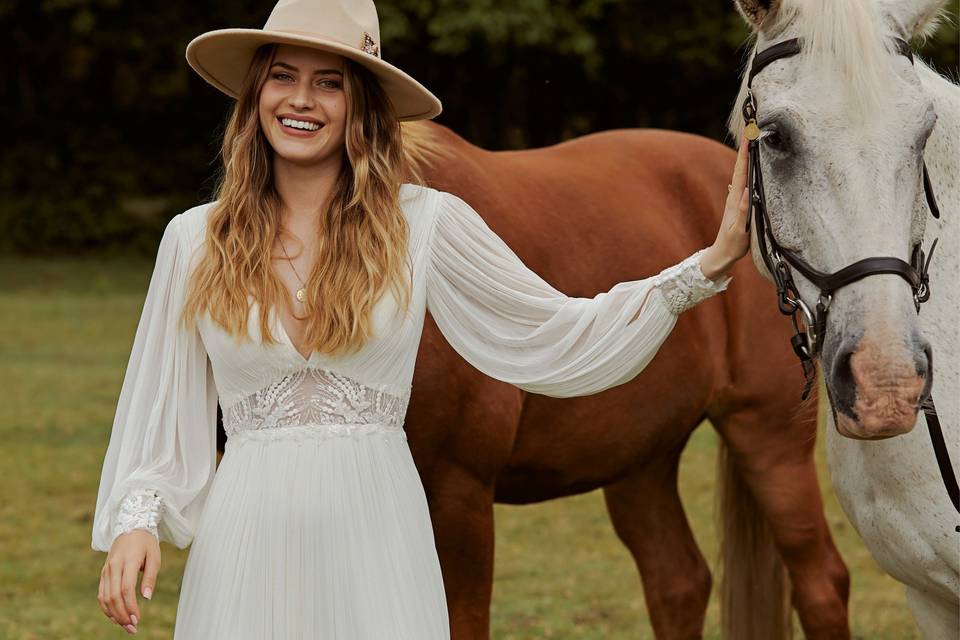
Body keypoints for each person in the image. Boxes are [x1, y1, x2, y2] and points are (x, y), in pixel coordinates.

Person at [91, 0, 751, 637]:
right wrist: (136, 522)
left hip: (381, 539)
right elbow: (158, 407)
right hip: (243, 543)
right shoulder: (193, 240)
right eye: (282, 78)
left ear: (362, 107)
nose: (300, 100)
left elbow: (556, 332)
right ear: (254, 96)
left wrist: (704, 267)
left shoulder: (425, 226)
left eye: (329, 83)